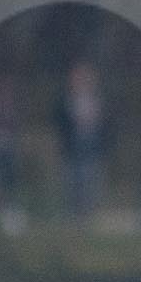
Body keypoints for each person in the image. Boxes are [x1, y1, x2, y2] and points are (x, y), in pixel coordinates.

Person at [55, 60, 109, 218]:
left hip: (92, 145)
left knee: (91, 178)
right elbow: (61, 122)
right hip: (71, 146)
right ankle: (73, 212)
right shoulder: (65, 100)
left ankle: (88, 213)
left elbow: (103, 123)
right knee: (72, 180)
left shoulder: (96, 99)